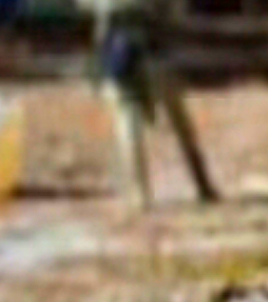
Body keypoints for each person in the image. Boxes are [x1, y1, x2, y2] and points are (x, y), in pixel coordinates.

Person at [85, 0, 220, 209]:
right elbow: (176, 11)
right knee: (177, 116)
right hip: (152, 42)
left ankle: (140, 194)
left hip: (121, 42)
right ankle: (202, 184)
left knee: (129, 117)